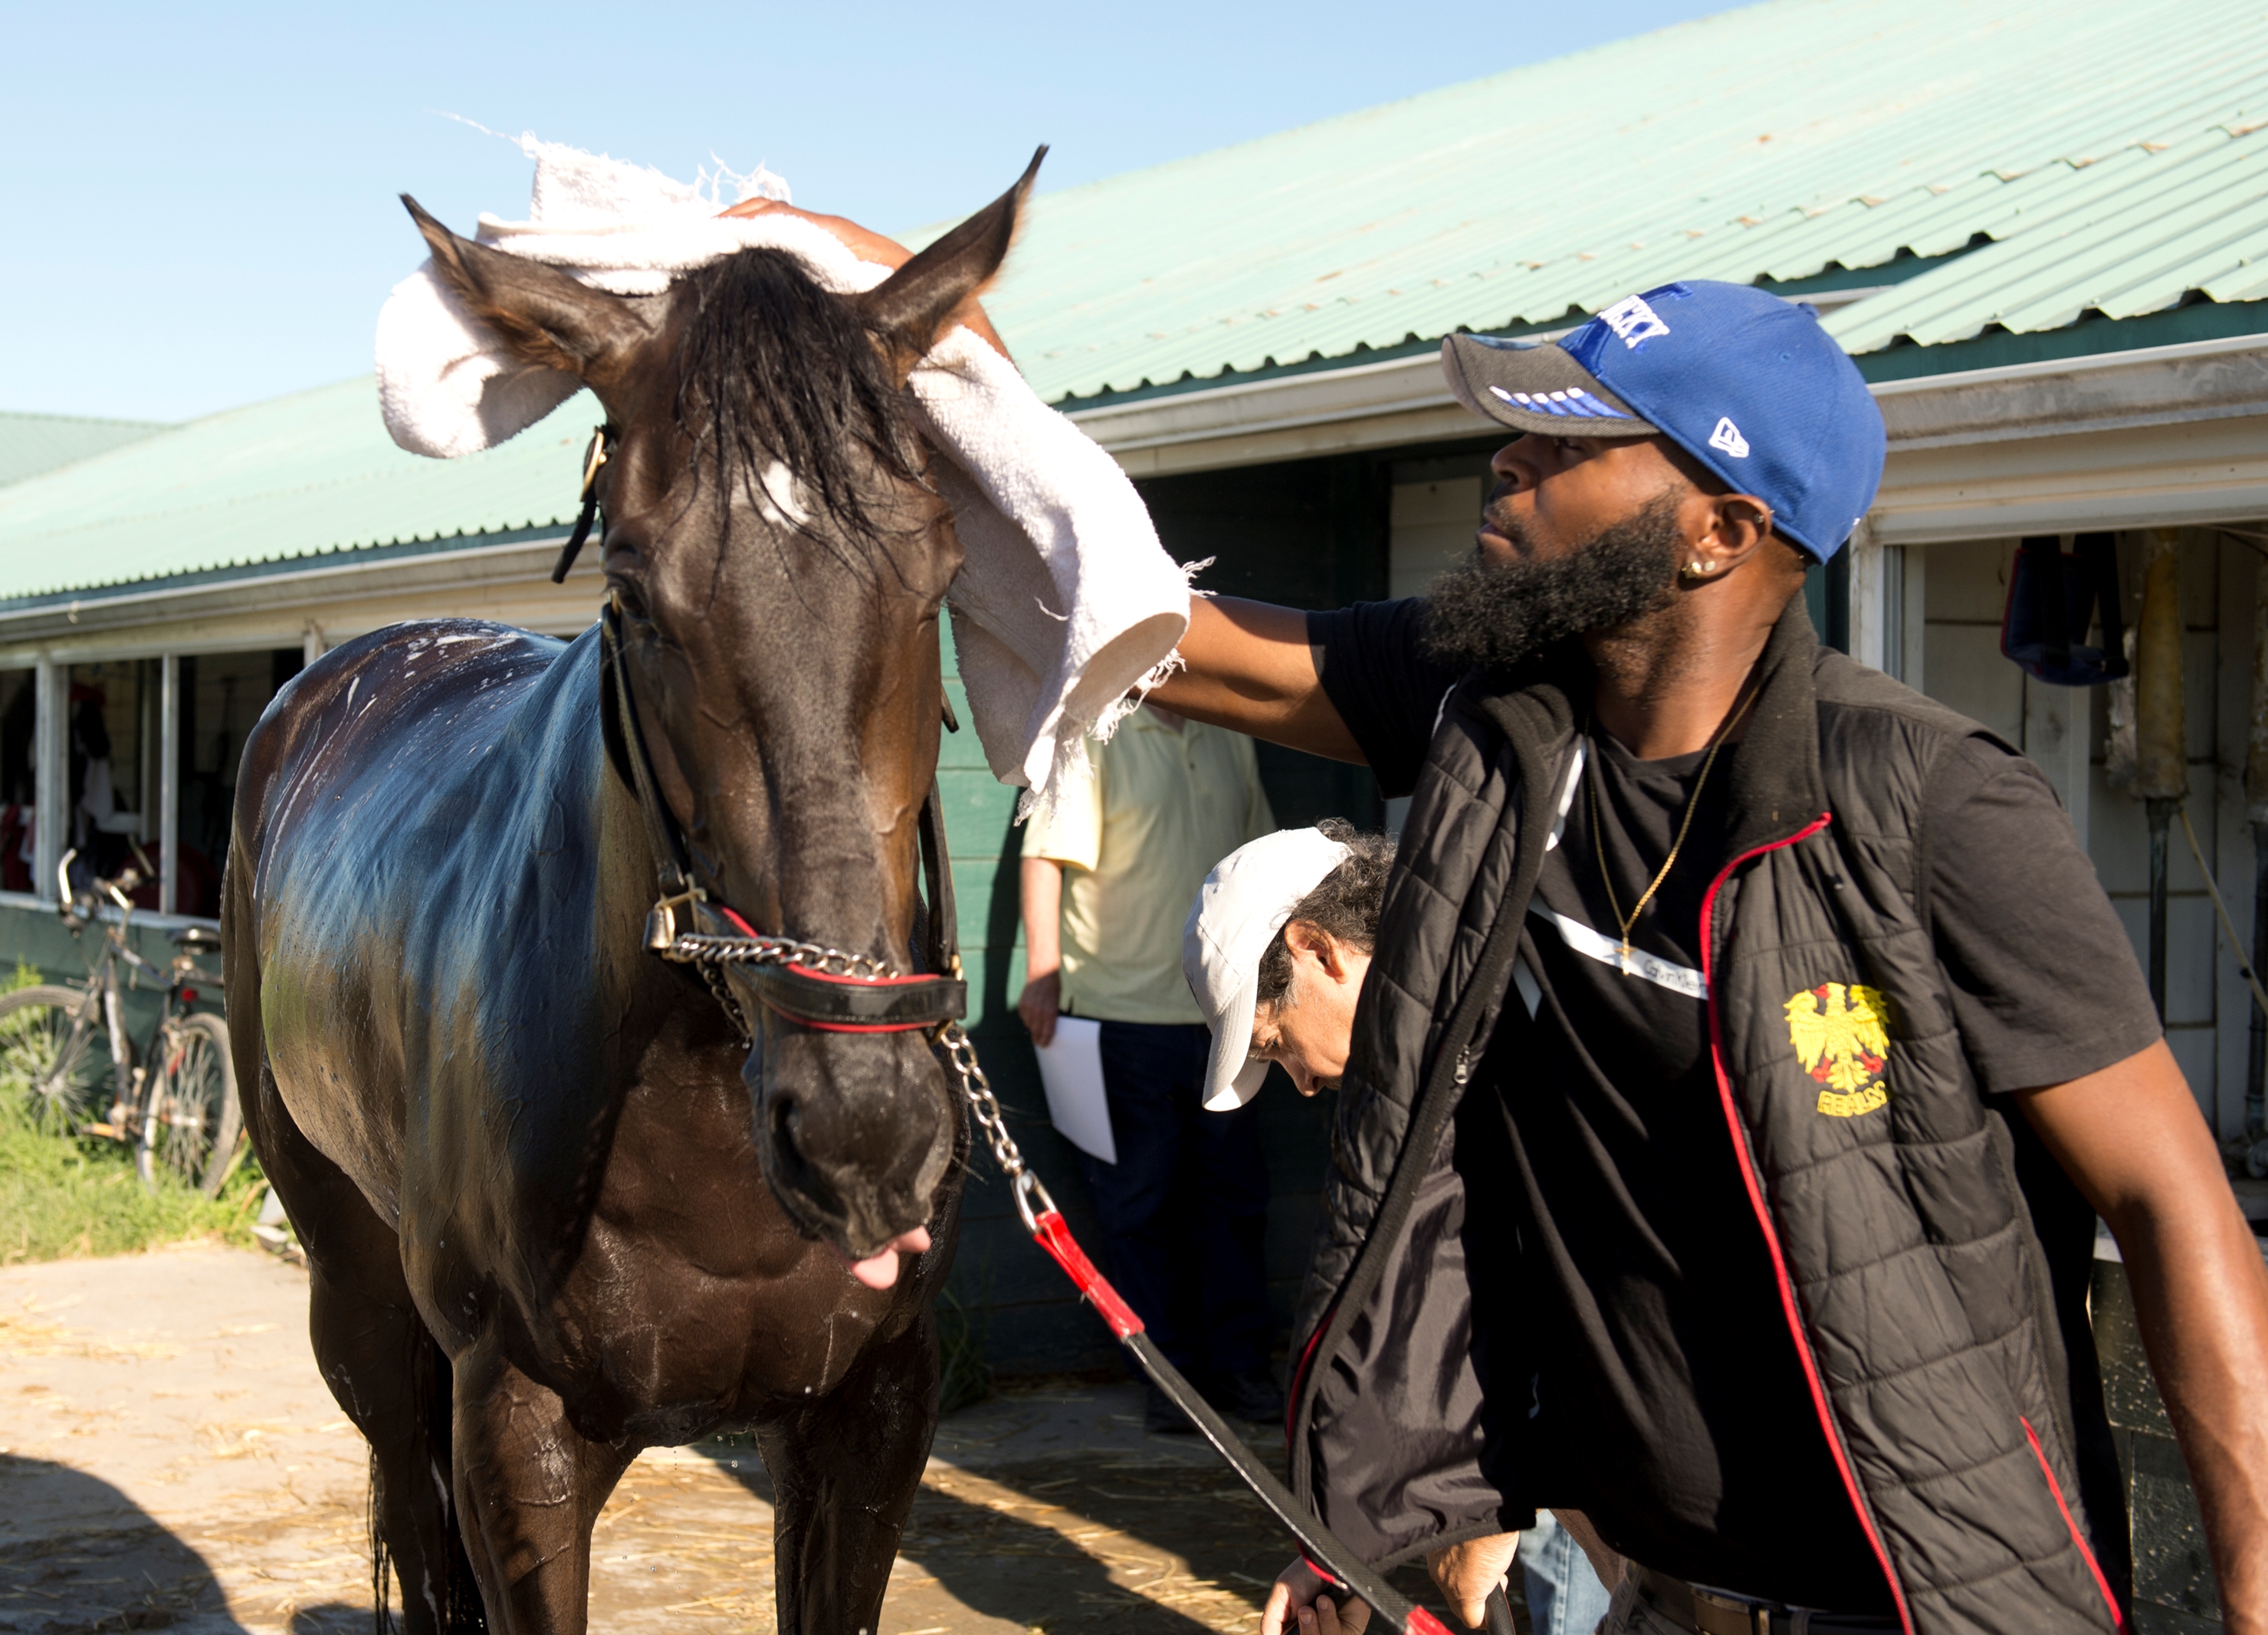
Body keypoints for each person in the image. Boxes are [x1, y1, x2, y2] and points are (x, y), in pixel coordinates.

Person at [744, 196, 2268, 1635]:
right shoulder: (1489, 720)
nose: (1503, 466)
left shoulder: (1928, 810)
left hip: (1908, 1589)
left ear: (1715, 531)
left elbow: (2173, 1204)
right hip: (1644, 1580)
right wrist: (919, 324)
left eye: (1565, 447)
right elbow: (1158, 633)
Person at [1185, 822, 1613, 1635]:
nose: (1302, 1084)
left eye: (1276, 1046)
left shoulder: (1498, 1032)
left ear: (1318, 950)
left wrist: (1350, 1543)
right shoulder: (1450, 1033)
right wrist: (1342, 1552)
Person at [1019, 701, 1279, 1433]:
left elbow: (1258, 861)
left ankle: (1241, 1369)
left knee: (1233, 1202)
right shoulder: (1088, 734)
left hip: (1225, 1015)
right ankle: (1170, 1384)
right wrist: (1043, 975)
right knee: (1139, 1207)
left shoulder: (1230, 729)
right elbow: (1042, 854)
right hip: (1118, 1016)